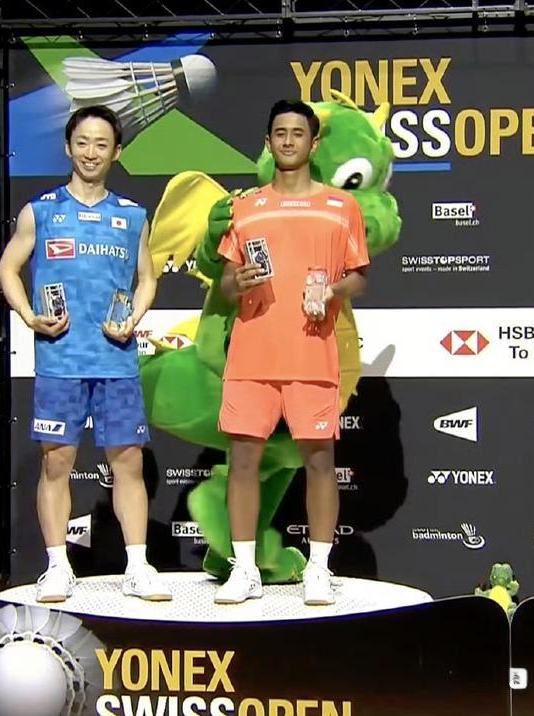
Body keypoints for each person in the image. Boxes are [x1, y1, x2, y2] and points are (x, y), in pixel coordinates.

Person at [0, 105, 170, 603]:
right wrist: (30, 316)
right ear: (68, 147)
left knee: (129, 463)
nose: (91, 152)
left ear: (117, 151)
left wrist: (134, 317)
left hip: (116, 359)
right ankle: (57, 568)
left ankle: (138, 567)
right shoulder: (41, 211)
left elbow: (148, 278)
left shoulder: (132, 215)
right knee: (57, 463)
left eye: (102, 144)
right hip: (61, 361)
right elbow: (8, 270)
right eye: (83, 142)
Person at [213, 100, 369, 606]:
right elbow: (226, 284)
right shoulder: (246, 207)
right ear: (268, 141)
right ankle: (244, 570)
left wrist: (333, 291)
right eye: (279, 132)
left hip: (312, 353)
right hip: (251, 356)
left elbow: (359, 277)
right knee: (242, 462)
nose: (287, 140)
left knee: (320, 462)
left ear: (313, 143)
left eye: (297, 133)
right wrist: (238, 281)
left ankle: (319, 569)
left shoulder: (341, 207)